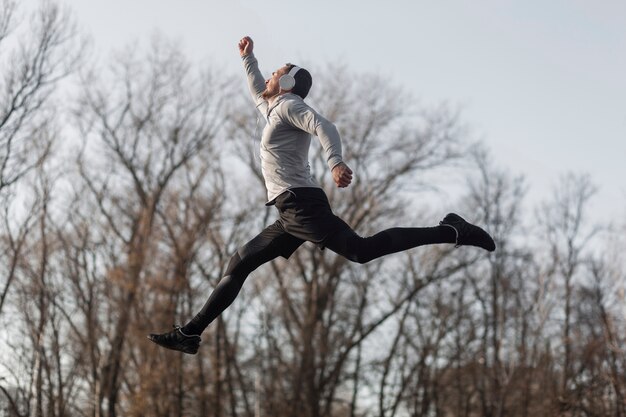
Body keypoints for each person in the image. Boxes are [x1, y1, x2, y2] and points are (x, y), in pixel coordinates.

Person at [148, 36, 495, 354]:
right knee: (239, 263)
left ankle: (452, 230)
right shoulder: (271, 107)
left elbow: (324, 126)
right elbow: (256, 88)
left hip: (303, 206)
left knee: (362, 250)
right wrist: (247, 58)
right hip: (289, 211)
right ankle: (191, 334)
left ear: (286, 83)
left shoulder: (289, 106)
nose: (269, 76)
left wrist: (336, 162)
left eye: (276, 73)